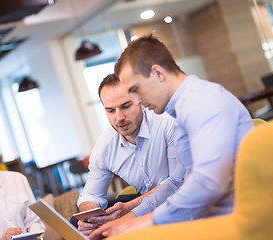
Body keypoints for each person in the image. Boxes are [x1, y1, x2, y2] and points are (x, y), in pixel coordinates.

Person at [89, 35, 254, 239]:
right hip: (208, 219)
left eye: (135, 90)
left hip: (231, 222)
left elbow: (207, 184)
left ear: (158, 73)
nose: (137, 101)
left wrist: (148, 220)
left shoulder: (202, 102)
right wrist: (132, 217)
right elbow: (177, 181)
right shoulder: (184, 109)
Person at [75, 74, 178, 236]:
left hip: (175, 198)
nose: (119, 118)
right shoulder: (105, 144)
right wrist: (89, 218)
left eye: (126, 106)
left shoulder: (166, 123)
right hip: (143, 199)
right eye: (110, 110)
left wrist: (129, 208)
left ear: (141, 101)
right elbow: (90, 195)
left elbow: (177, 183)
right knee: (77, 223)